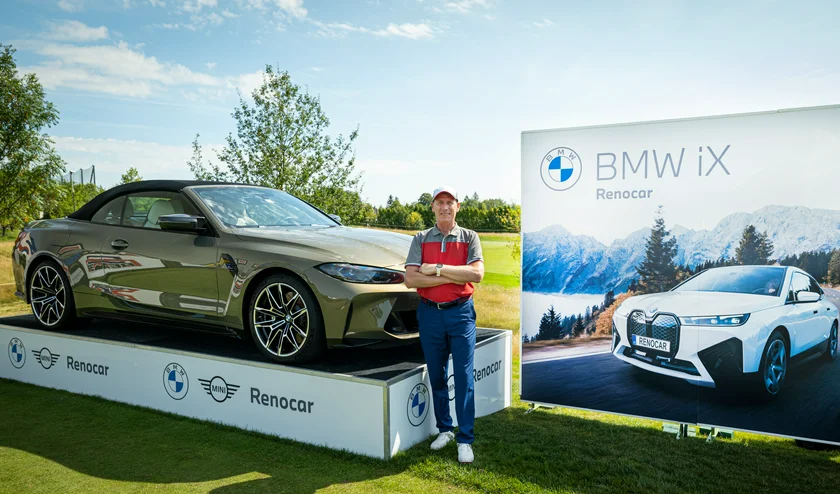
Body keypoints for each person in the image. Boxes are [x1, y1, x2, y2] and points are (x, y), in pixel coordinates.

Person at [404, 185, 484, 464]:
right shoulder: (420, 238)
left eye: (450, 202)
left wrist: (436, 269)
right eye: (440, 202)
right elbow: (411, 279)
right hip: (430, 315)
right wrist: (454, 276)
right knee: (437, 376)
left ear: (457, 206)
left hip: (460, 313)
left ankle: (465, 439)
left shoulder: (470, 237)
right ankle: (445, 429)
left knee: (463, 377)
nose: (445, 207)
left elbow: (477, 274)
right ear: (433, 207)